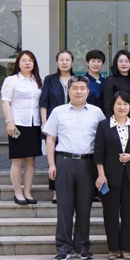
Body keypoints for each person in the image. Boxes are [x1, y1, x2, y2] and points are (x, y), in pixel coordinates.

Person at [43, 76, 106, 260]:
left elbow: (103, 140)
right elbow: (50, 139)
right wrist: (51, 164)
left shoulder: (96, 112)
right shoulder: (58, 112)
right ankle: (63, 248)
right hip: (64, 161)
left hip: (88, 163)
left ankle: (82, 247)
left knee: (84, 207)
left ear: (88, 91)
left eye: (82, 88)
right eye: (75, 88)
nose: (79, 91)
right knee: (64, 207)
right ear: (68, 91)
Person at [94, 91, 130, 260]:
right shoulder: (104, 125)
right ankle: (113, 248)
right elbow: (98, 151)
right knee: (110, 212)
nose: (122, 107)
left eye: (125, 104)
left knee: (129, 212)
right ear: (112, 106)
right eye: (119, 104)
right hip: (109, 176)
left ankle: (127, 248)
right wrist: (101, 174)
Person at [0, 50, 43, 205]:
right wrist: (9, 122)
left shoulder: (38, 81)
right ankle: (18, 192)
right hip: (17, 124)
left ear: (34, 64)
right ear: (18, 63)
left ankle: (27, 192)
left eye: (30, 60)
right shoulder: (11, 80)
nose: (27, 63)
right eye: (24, 60)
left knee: (31, 160)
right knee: (17, 160)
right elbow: (5, 102)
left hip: (34, 124)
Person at [40, 50, 75, 204]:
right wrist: (44, 122)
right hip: (54, 122)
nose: (64, 62)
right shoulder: (50, 79)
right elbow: (44, 102)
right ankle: (56, 191)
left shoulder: (77, 79)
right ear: (57, 62)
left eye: (67, 60)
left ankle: (72, 188)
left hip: (73, 123)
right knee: (54, 156)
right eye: (61, 59)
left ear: (72, 62)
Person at [102, 50, 130, 118]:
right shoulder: (110, 80)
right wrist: (111, 120)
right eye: (120, 61)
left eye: (127, 61)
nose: (124, 64)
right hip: (116, 118)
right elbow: (107, 104)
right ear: (116, 63)